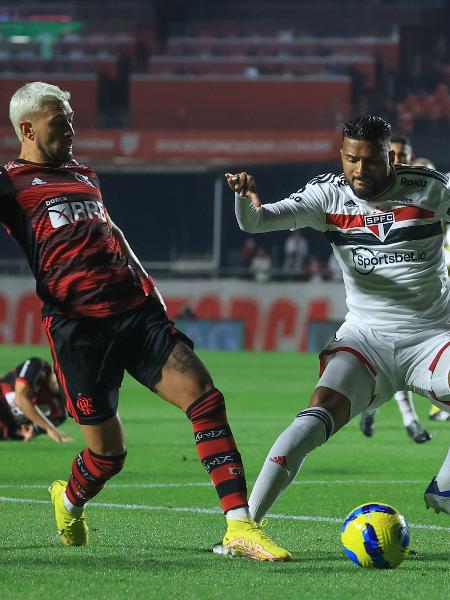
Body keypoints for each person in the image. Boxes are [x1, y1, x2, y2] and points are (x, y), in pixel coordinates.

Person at [0, 81, 290, 561]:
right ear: (28, 128)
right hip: (79, 330)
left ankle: (240, 526)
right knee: (107, 456)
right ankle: (68, 500)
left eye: (72, 118)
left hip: (135, 313)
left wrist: (145, 279)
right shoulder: (10, 183)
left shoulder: (84, 174)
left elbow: (110, 229)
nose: (71, 128)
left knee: (205, 397)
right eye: (60, 120)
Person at [225, 115, 450, 543]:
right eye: (351, 159)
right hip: (366, 341)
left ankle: (444, 489)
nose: (359, 170)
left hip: (433, 338)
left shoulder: (429, 188)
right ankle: (245, 527)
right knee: (314, 418)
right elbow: (256, 223)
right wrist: (245, 203)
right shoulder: (327, 195)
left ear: (391, 155)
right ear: (341, 155)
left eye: (369, 160)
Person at [359, 135, 432, 443]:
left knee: (407, 360)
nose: (400, 159)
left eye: (405, 154)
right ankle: (411, 420)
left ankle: (375, 407)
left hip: (427, 287)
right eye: (395, 154)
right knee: (398, 357)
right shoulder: (377, 191)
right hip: (383, 288)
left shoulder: (423, 189)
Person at [0, 357, 71, 442]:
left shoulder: (60, 412)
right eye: (61, 376)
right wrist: (49, 428)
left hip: (4, 427)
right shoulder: (36, 366)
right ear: (54, 368)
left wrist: (24, 432)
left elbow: (25, 432)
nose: (63, 382)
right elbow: (20, 399)